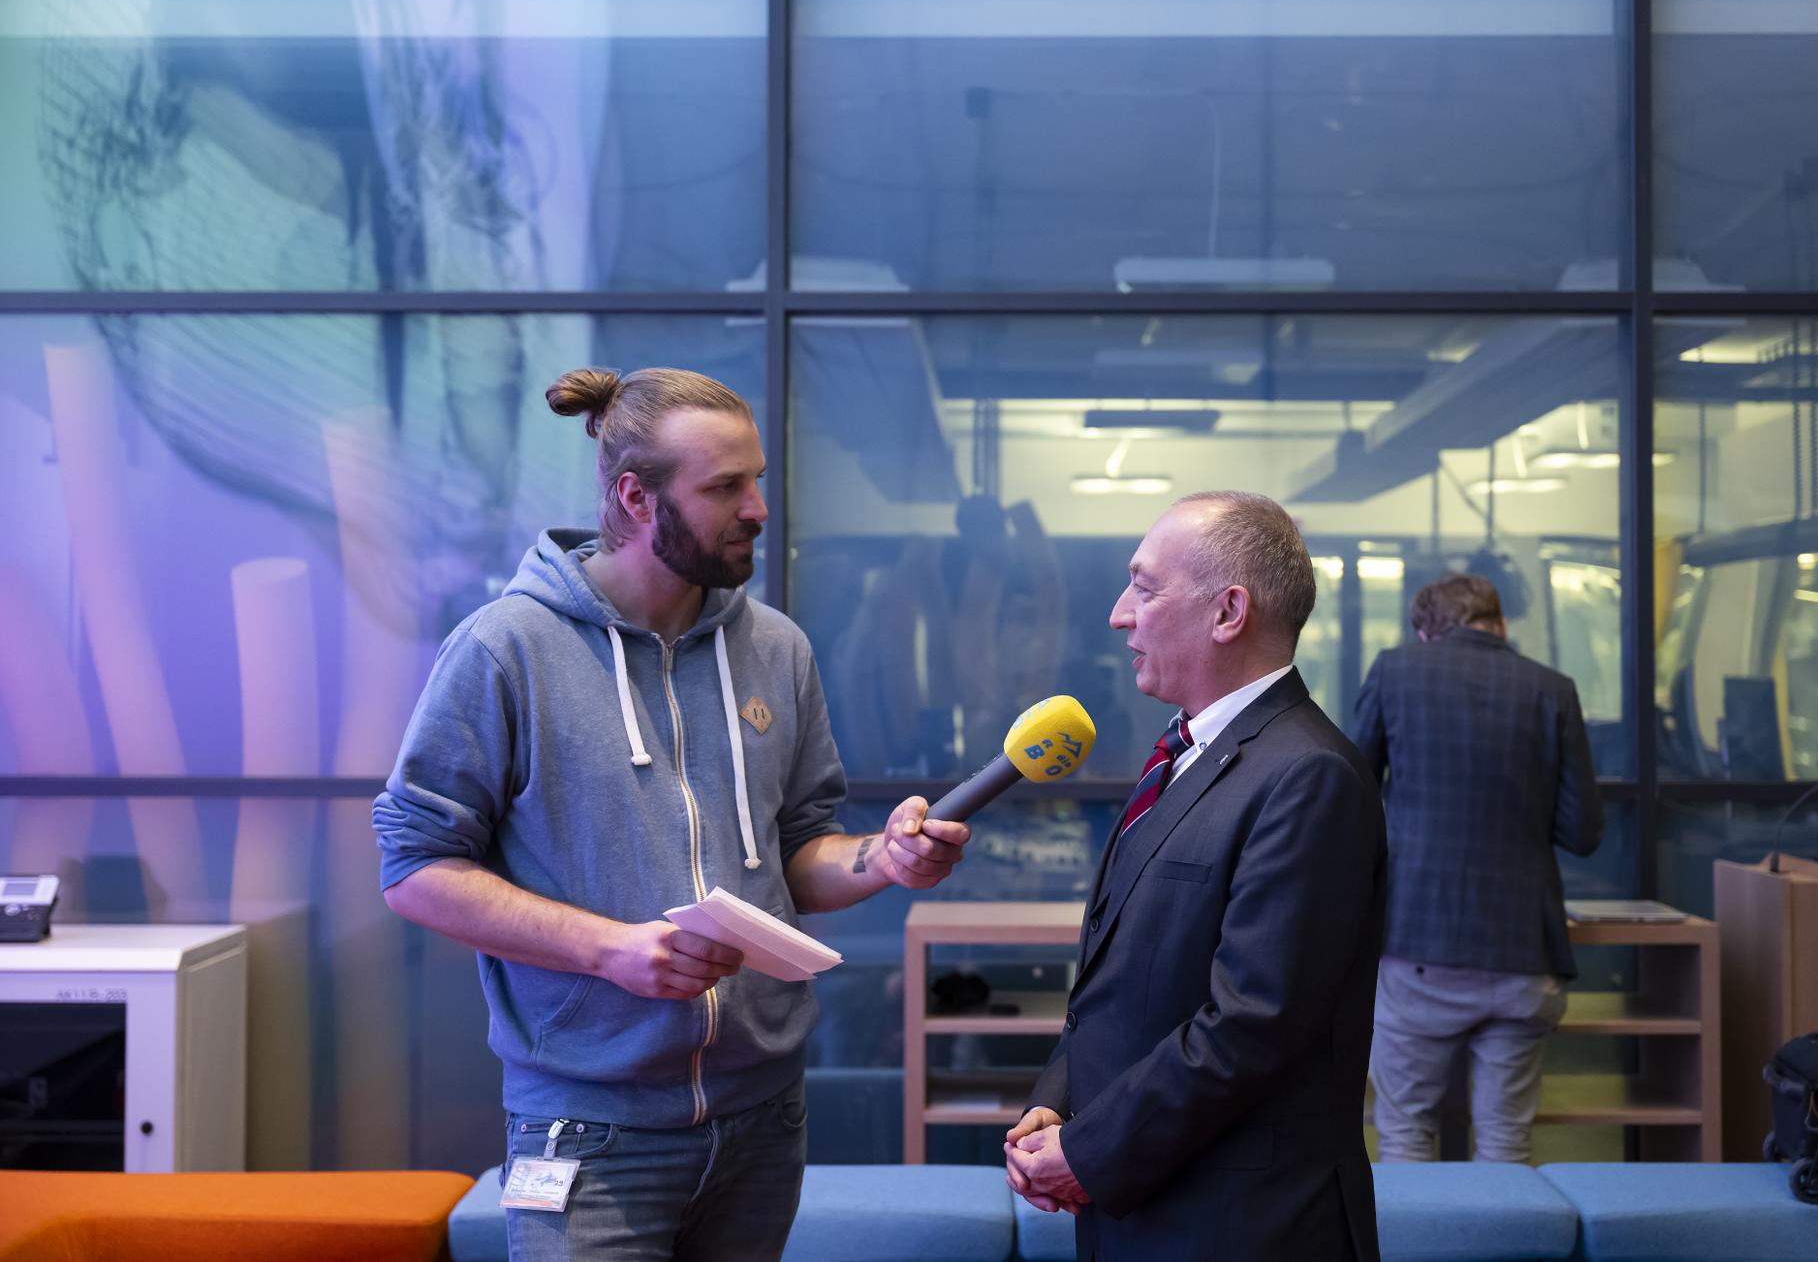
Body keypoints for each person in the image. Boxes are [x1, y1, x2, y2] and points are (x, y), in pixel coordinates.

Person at [373, 367, 972, 1261]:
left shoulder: (777, 648)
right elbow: (414, 870)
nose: (759, 507)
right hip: (587, 1132)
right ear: (634, 496)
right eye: (726, 486)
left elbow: (799, 851)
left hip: (764, 1119)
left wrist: (881, 860)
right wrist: (610, 949)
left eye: (756, 479)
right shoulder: (508, 648)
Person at [1003, 491, 1386, 1262]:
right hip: (1147, 1205)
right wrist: (1057, 1105)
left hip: (1245, 1225)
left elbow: (1251, 1022)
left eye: (1143, 588)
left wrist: (1091, 1150)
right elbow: (1118, 989)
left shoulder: (1310, 775)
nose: (1118, 614)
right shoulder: (1185, 755)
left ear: (1227, 611)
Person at [1351, 572, 1604, 1164]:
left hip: (1419, 947)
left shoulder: (1395, 671)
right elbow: (1583, 834)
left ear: (1424, 632)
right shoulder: (1555, 689)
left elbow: (1350, 795)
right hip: (1525, 959)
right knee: (1506, 1141)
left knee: (1408, 1132)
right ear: (1501, 625)